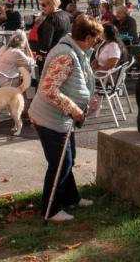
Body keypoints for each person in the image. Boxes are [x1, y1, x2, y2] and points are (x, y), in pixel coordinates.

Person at [28, 14, 103, 223]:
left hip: (60, 117)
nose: (96, 44)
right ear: (87, 37)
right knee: (60, 162)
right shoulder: (66, 56)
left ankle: (71, 198)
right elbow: (49, 90)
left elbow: (76, 81)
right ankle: (51, 209)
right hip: (49, 117)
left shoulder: (74, 51)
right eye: (96, 39)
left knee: (68, 158)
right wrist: (74, 109)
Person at [35, 0, 71, 66]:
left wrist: (42, 55)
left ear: (51, 3)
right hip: (66, 53)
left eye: (43, 5)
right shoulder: (67, 15)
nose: (42, 7)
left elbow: (47, 40)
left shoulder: (51, 18)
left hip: (51, 56)